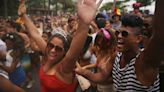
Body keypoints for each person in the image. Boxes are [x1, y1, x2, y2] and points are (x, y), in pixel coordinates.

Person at [18, 0, 103, 92]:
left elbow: (74, 51)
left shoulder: (65, 68)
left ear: (64, 52)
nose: (53, 50)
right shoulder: (48, 53)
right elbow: (35, 34)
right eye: (51, 45)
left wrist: (84, 23)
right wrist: (23, 16)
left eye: (58, 49)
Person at [112, 0, 164, 90]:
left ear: (138, 39)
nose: (119, 37)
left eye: (124, 34)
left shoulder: (144, 62)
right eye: (117, 33)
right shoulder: (117, 57)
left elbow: (159, 37)